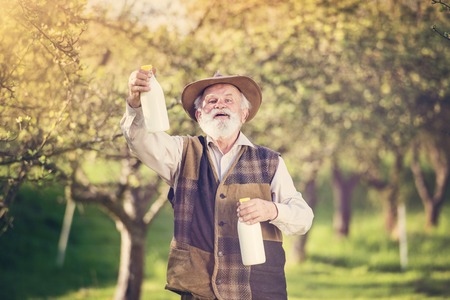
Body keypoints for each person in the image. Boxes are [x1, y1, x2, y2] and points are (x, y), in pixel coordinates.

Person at [121, 68, 314, 300]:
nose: (220, 105)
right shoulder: (182, 153)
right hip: (198, 291)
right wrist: (135, 103)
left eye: (228, 100)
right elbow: (139, 140)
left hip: (259, 292)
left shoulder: (270, 162)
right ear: (200, 116)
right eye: (211, 101)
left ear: (244, 114)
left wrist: (271, 209)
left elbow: (304, 218)